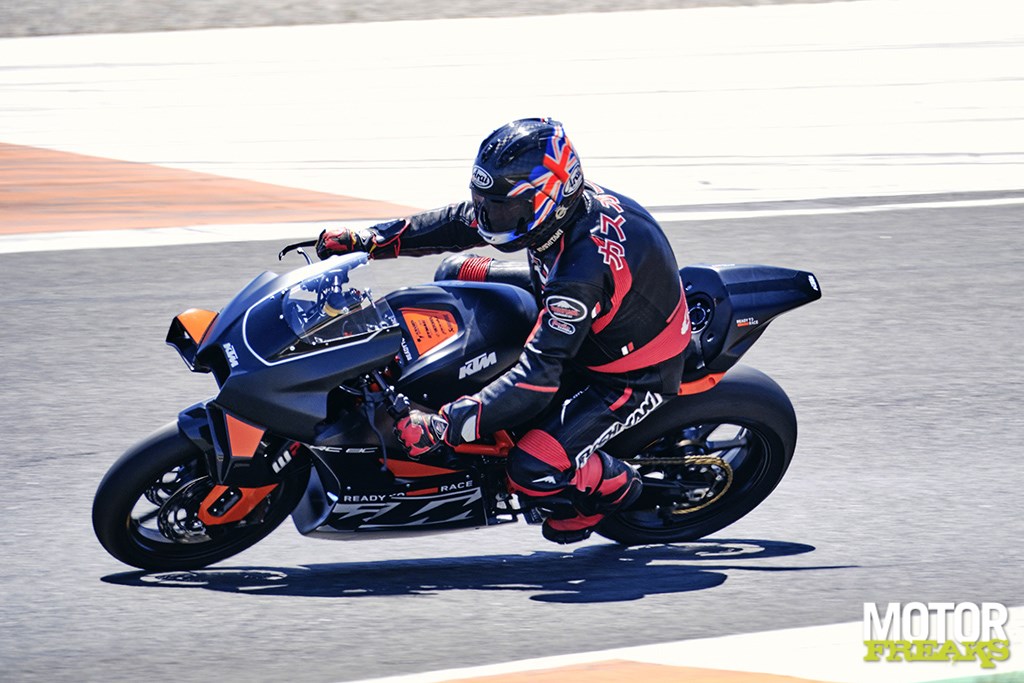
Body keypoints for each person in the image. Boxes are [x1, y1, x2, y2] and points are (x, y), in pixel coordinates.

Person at [315, 118, 691, 544]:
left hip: (632, 374)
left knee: (531, 468)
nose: (491, 218)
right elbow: (458, 223)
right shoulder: (556, 216)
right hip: (579, 303)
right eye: (486, 203)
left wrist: (445, 425)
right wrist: (368, 239)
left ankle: (614, 491)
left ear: (552, 198)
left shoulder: (580, 274)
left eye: (505, 208)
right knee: (454, 273)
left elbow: (537, 379)